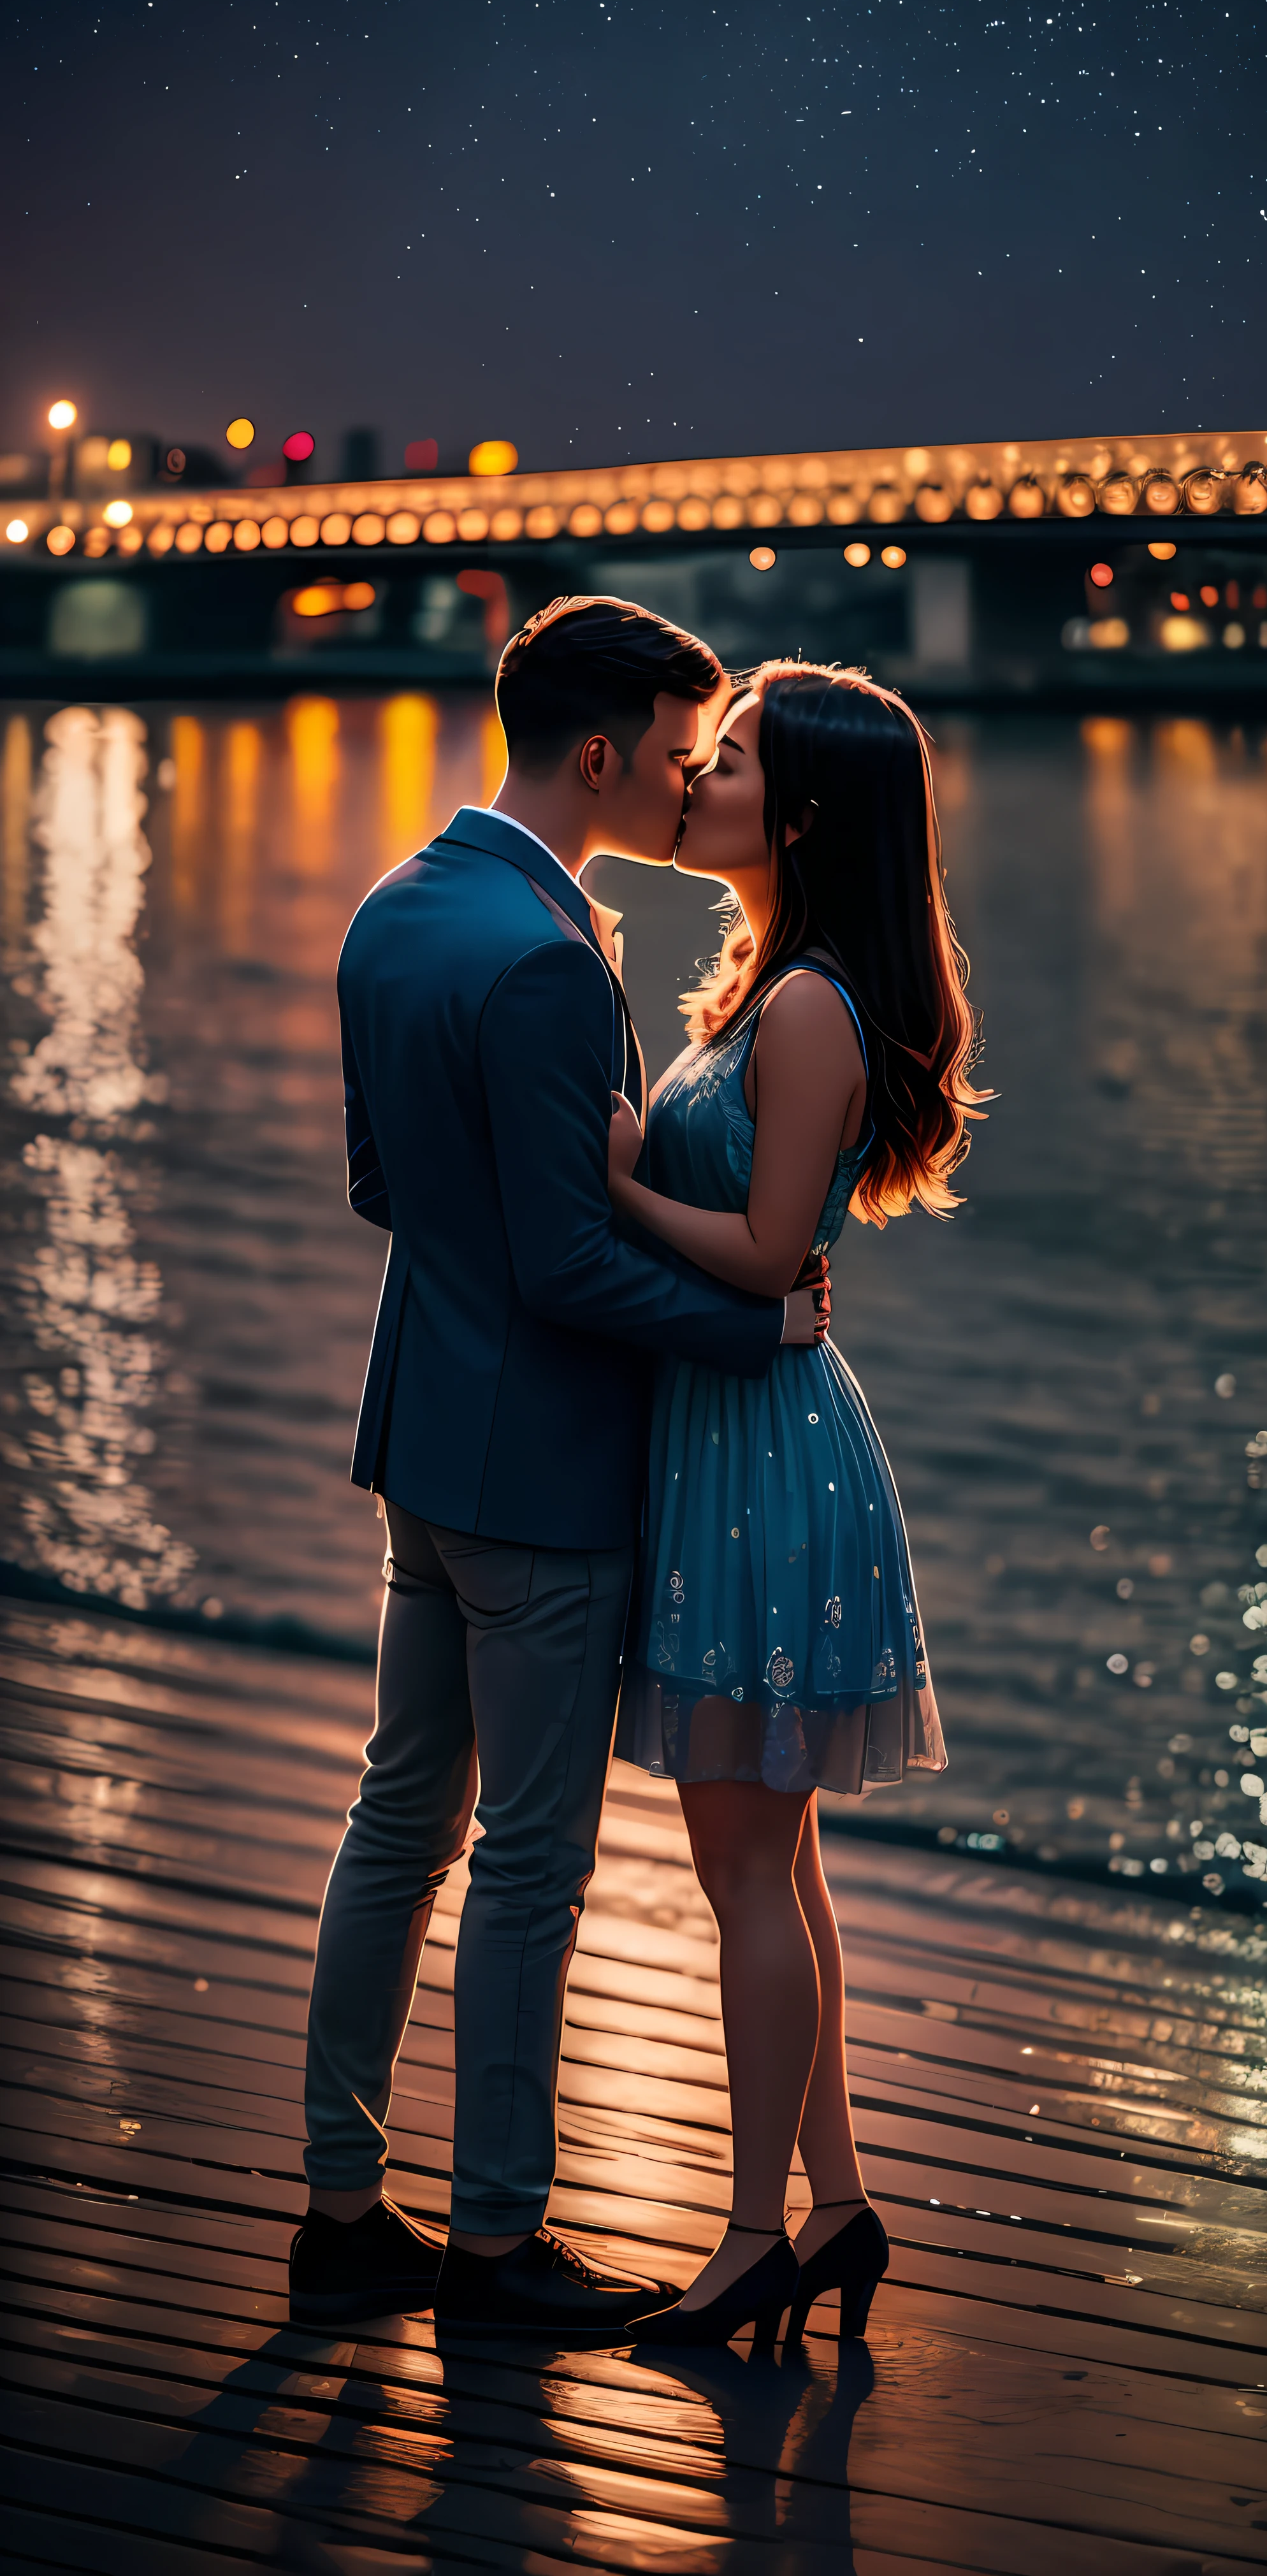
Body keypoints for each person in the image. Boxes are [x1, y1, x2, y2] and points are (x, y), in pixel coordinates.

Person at [289, 599, 823, 2338]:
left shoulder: (398, 908)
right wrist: (765, 1331)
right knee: (528, 1859)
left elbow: (388, 1188)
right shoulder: (542, 954)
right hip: (538, 1473)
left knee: (396, 1817)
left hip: (422, 1443)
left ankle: (343, 2206)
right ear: (598, 755)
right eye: (679, 757)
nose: (687, 788)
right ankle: (499, 2246)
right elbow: (567, 1266)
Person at [607, 662, 987, 2347]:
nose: (699, 779)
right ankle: (833, 2208)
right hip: (741, 1434)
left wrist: (611, 1183)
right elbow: (776, 1257)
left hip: (763, 1454)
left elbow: (769, 1260)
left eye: (736, 760)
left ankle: (752, 2234)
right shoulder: (773, 984)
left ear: (808, 811)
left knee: (747, 1871)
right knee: (782, 1860)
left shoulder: (815, 1003)